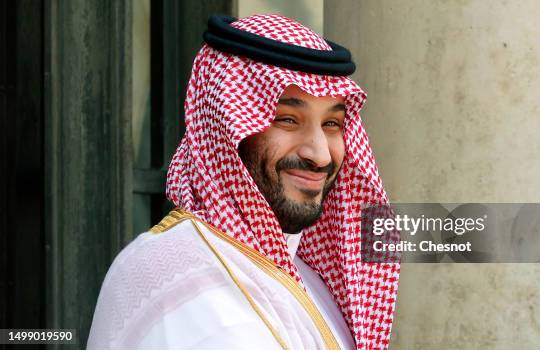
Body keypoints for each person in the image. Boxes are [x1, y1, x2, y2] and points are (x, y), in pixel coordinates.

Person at [87, 14, 399, 350]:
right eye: (287, 120)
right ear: (226, 128)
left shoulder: (299, 275)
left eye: (332, 124)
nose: (320, 155)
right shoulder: (174, 273)